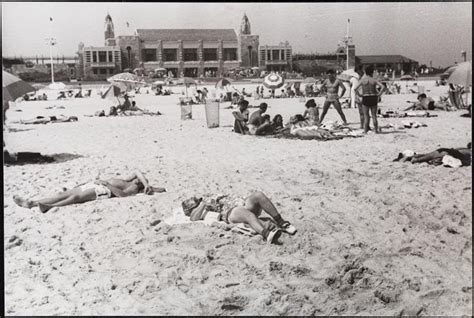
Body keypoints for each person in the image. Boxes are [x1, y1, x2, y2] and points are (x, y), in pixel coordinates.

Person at [13, 171, 165, 213]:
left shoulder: (132, 188)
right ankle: (32, 203)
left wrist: (106, 184)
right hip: (96, 184)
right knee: (63, 194)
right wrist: (147, 183)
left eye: (140, 181)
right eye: (139, 180)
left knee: (75, 197)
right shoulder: (130, 180)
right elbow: (138, 171)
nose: (138, 179)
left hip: (103, 190)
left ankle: (48, 207)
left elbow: (122, 195)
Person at [182, 191, 297, 244]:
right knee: (243, 212)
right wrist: (203, 203)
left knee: (258, 195)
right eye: (188, 201)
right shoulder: (201, 209)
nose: (190, 197)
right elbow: (193, 218)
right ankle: (266, 234)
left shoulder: (206, 195)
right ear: (189, 208)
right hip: (231, 213)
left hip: (243, 203)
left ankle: (281, 222)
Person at [354, 66, 385, 134]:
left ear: (365, 72)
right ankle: (376, 130)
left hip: (365, 97)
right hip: (373, 97)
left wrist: (359, 95)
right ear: (372, 72)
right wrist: (379, 94)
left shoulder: (362, 80)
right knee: (374, 115)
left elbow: (355, 89)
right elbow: (383, 87)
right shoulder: (373, 80)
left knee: (366, 116)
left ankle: (365, 131)